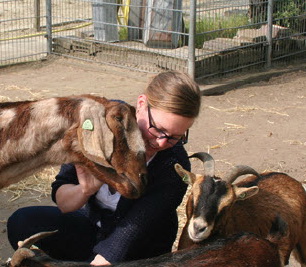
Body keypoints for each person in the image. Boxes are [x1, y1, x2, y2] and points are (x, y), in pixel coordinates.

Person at [7, 71, 202, 265]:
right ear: (141, 104)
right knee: (22, 222)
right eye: (158, 129)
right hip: (93, 227)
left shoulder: (174, 164)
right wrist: (86, 189)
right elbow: (64, 204)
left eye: (175, 136)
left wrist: (98, 261)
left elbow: (131, 231)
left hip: (138, 248)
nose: (160, 142)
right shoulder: (103, 123)